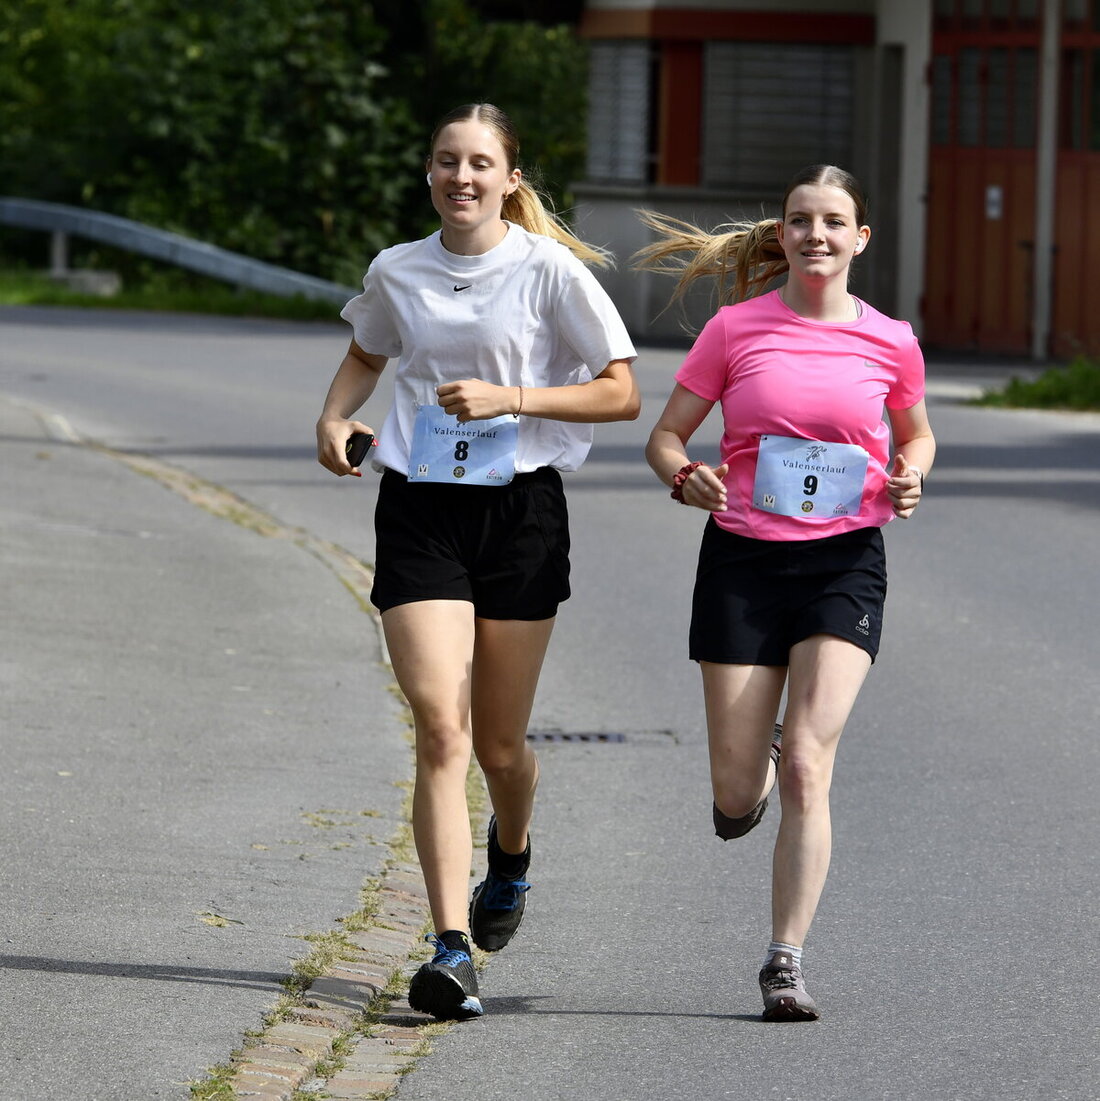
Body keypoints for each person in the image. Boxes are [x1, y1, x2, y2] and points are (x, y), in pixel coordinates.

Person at [315, 102, 639, 1021]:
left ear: (511, 180)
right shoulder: (399, 269)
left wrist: (514, 397)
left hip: (521, 514)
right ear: (430, 174)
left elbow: (621, 392)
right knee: (439, 728)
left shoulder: (547, 273)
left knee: (499, 744)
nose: (463, 177)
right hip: (419, 509)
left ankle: (514, 854)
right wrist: (334, 419)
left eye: (481, 164)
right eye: (448, 161)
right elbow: (362, 354)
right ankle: (450, 948)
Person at [637, 164, 935, 1022]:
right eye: (800, 221)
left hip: (844, 563)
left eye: (833, 222)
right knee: (737, 798)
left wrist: (910, 474)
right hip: (742, 562)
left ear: (859, 238)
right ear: (783, 235)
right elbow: (665, 436)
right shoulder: (736, 330)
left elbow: (915, 434)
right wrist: (686, 474)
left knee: (809, 760)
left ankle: (784, 960)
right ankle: (754, 757)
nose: (816, 235)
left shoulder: (892, 339)